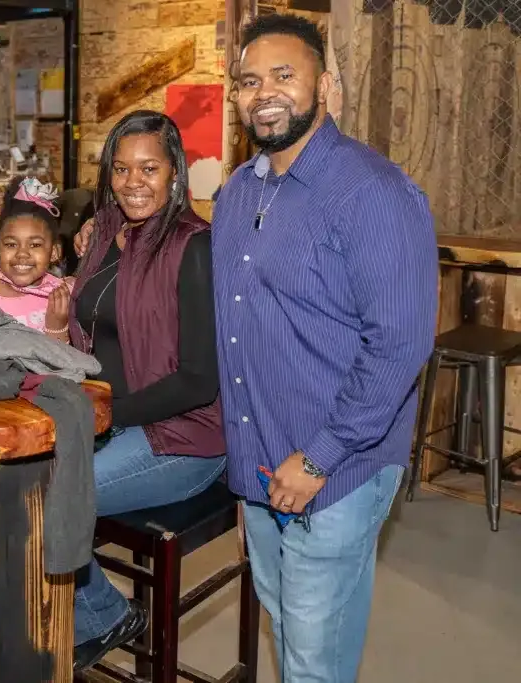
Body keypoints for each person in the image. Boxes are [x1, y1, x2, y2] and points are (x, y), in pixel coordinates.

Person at [214, 14, 436, 682]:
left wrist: (318, 458)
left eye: (284, 75)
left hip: (337, 466)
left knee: (314, 657)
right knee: (286, 624)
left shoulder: (372, 191)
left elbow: (399, 344)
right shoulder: (238, 192)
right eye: (249, 81)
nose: (265, 93)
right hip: (261, 461)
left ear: (325, 85)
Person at [67, 110, 226, 672]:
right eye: (121, 168)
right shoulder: (103, 236)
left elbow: (200, 381)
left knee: (46, 499)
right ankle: (60, 619)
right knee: (15, 482)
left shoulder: (194, 246)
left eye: (149, 168)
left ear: (175, 171)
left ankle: (104, 614)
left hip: (182, 438)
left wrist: (108, 415)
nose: (133, 181)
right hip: (113, 420)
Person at [0, 176, 72, 340]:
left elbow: (74, 354)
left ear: (54, 252)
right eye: (11, 244)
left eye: (35, 245)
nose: (22, 254)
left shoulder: (61, 296)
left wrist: (57, 329)